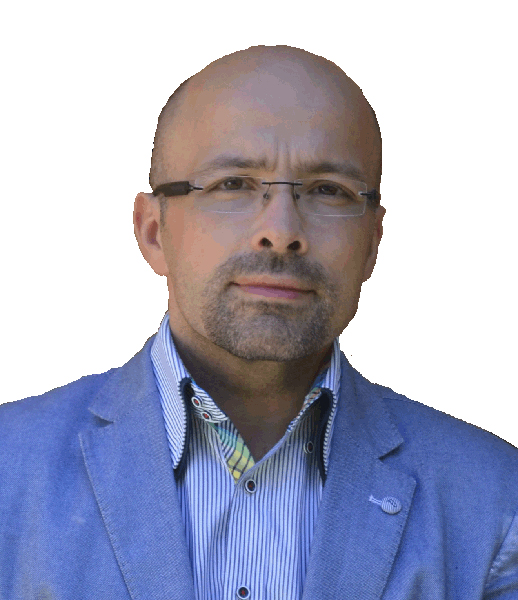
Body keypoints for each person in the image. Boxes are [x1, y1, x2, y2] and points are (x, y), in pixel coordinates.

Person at [1, 45, 517, 600]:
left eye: (328, 190)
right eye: (233, 184)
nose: (281, 231)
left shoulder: (496, 502)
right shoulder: (9, 468)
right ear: (153, 232)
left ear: (373, 243)